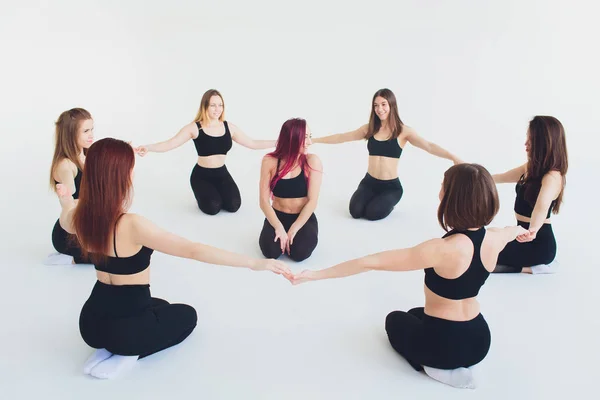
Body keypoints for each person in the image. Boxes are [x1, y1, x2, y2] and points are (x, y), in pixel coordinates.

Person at [55, 138, 292, 379]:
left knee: (162, 307)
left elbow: (66, 215)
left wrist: (65, 198)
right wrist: (254, 263)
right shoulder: (132, 225)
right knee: (187, 315)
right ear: (120, 177)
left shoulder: (81, 218)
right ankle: (127, 353)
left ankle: (107, 349)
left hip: (90, 323)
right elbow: (193, 249)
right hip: (125, 330)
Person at [291, 164, 528, 389]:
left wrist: (316, 274)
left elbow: (370, 262)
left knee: (394, 320)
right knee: (416, 314)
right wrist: (524, 231)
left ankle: (437, 369)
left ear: (454, 200)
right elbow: (512, 231)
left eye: (443, 187)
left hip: (446, 346)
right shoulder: (496, 237)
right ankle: (449, 361)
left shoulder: (441, 250)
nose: (439, 193)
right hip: (480, 339)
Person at [311, 88, 462, 221]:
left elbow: (429, 146)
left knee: (372, 214)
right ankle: (374, 199)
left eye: (383, 104)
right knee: (355, 212)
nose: (379, 109)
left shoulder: (404, 131)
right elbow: (342, 137)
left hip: (391, 187)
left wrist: (453, 157)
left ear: (391, 105)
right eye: (376, 105)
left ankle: (389, 203)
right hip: (369, 183)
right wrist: (315, 140)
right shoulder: (369, 129)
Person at [134, 89, 276, 215]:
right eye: (213, 105)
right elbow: (170, 143)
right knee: (213, 207)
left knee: (233, 206)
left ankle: (216, 193)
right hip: (201, 176)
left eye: (220, 105)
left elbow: (252, 143)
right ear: (205, 106)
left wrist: (277, 143)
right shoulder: (195, 128)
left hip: (222, 174)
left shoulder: (229, 127)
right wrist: (148, 148)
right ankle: (204, 193)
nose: (217, 109)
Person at [492, 116, 568, 274]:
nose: (526, 143)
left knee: (481, 253)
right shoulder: (530, 168)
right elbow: (501, 177)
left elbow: (541, 207)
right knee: (482, 245)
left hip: (537, 244)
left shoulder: (552, 178)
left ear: (544, 143)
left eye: (531, 139)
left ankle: (530, 268)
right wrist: (475, 175)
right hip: (521, 235)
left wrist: (532, 230)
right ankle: (529, 268)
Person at [258, 118, 323, 262]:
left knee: (299, 253)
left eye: (309, 137)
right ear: (292, 137)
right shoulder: (270, 161)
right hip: (277, 216)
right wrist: (279, 228)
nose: (309, 142)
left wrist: (294, 228)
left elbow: (312, 201)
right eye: (305, 137)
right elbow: (263, 201)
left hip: (302, 217)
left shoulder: (312, 162)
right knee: (270, 252)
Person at [47, 108, 95, 265]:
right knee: (112, 259)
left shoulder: (88, 156)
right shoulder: (65, 165)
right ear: (71, 133)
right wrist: (66, 192)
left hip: (89, 227)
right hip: (69, 234)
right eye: (86, 131)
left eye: (92, 129)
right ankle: (70, 259)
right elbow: (71, 194)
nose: (91, 135)